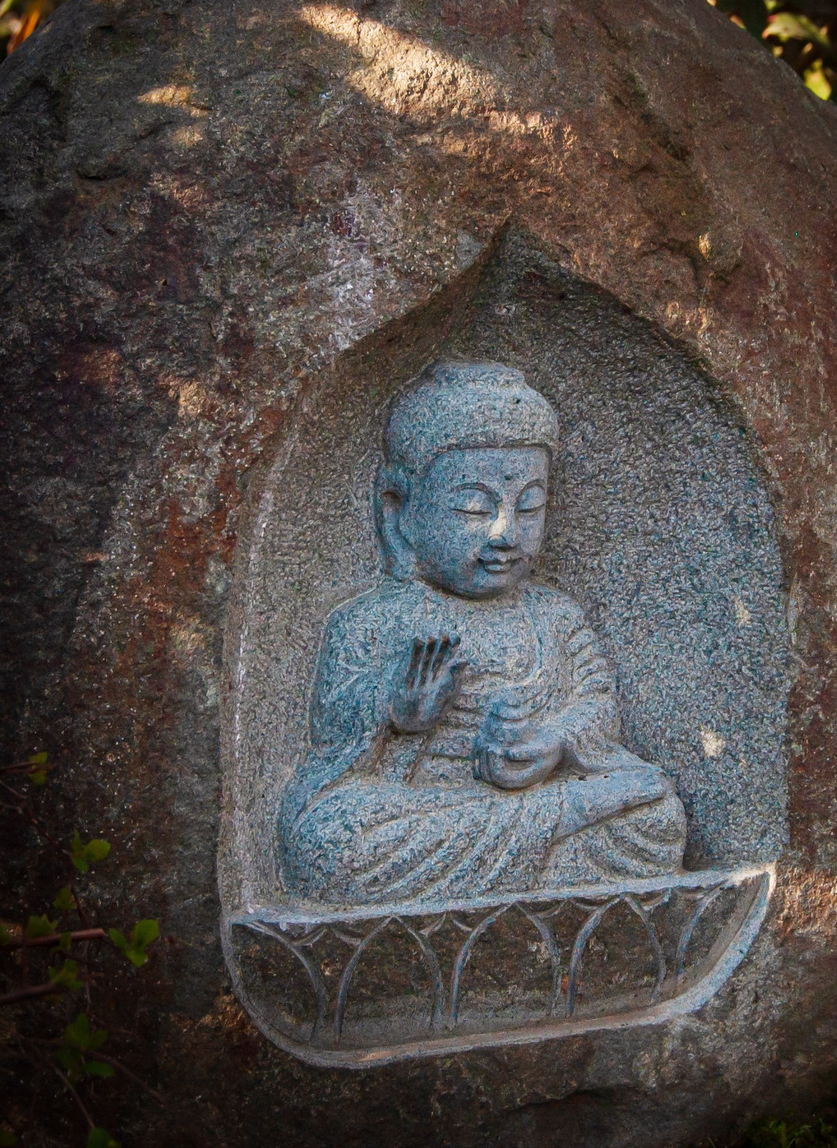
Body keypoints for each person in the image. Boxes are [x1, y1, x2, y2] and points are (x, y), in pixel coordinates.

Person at [277, 361, 687, 905]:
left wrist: (552, 740)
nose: (505, 533)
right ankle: (549, 830)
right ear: (399, 511)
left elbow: (598, 704)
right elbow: (332, 752)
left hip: (528, 797)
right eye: (474, 507)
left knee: (656, 818)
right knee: (329, 842)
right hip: (420, 810)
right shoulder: (369, 621)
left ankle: (538, 830)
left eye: (529, 506)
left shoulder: (553, 616)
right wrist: (393, 710)